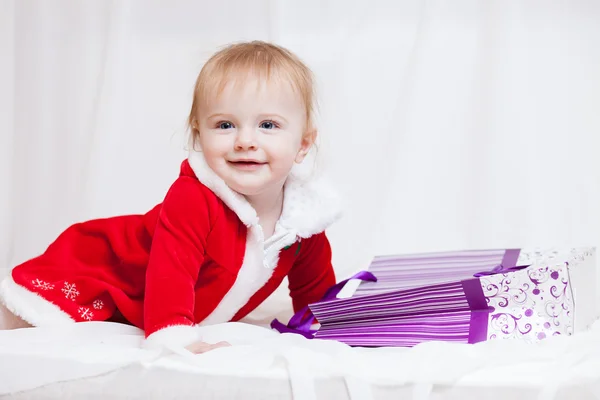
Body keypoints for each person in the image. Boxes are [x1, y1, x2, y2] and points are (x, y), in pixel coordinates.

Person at [0, 41, 341, 353]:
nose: (245, 141)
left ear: (303, 144)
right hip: (104, 268)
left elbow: (314, 289)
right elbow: (171, 273)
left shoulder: (302, 218)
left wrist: (328, 327)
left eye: (268, 125)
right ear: (198, 133)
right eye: (225, 125)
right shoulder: (195, 197)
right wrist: (175, 335)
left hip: (140, 294)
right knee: (19, 319)